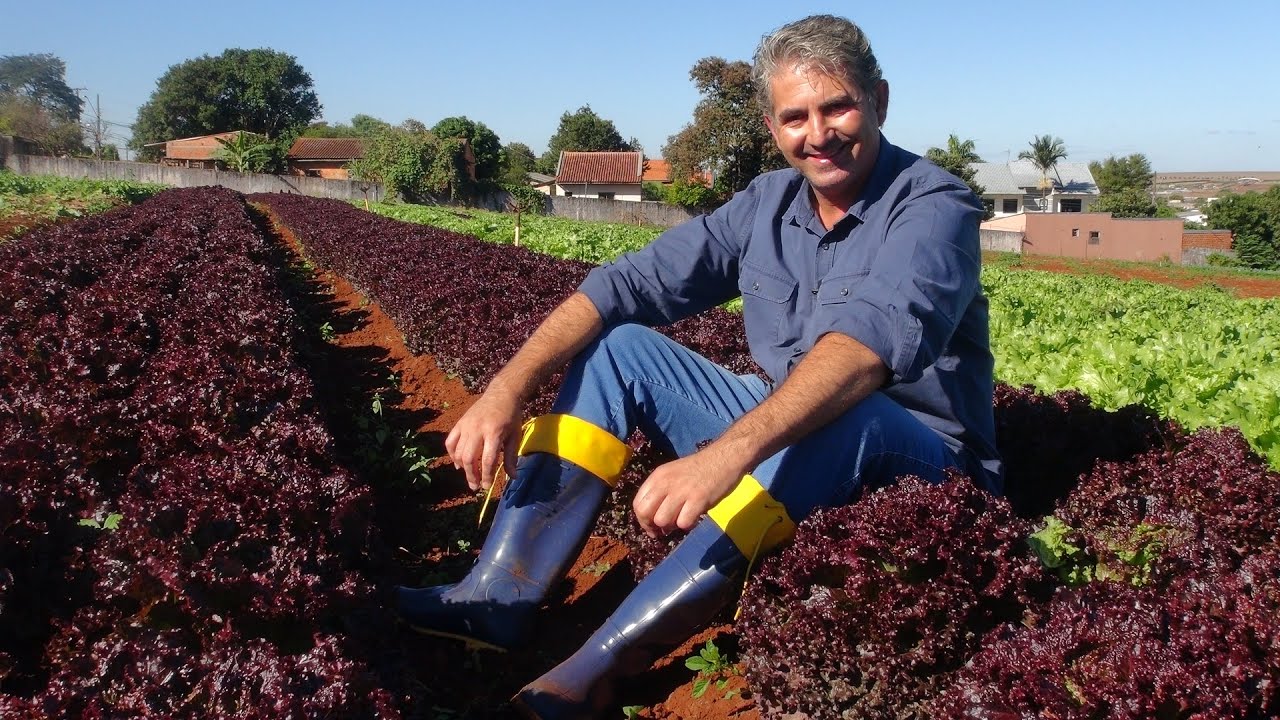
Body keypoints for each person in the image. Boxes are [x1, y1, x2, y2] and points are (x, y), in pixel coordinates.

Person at [397, 14, 1002, 720]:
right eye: (794, 117)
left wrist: (726, 455)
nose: (818, 133)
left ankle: (596, 669)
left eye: (837, 106)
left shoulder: (935, 208)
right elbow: (621, 287)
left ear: (880, 101)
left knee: (846, 409)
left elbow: (861, 354)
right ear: (773, 128)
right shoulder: (765, 206)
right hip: (791, 439)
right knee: (618, 347)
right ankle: (497, 596)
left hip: (923, 461)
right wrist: (508, 387)